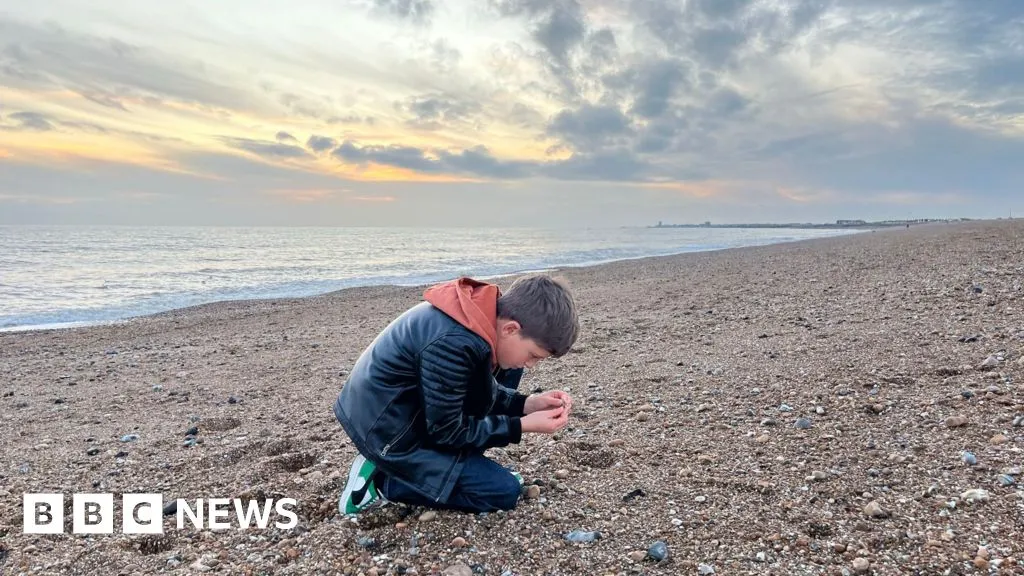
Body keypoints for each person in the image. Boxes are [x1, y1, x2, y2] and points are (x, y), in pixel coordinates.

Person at [333, 273, 580, 515]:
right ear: (510, 329)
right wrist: (520, 426)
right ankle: (380, 482)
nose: (531, 365)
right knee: (502, 491)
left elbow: (479, 390)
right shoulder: (453, 343)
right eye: (534, 355)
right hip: (387, 432)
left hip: (409, 409)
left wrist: (527, 404)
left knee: (510, 369)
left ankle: (455, 466)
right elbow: (446, 431)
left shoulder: (482, 320)